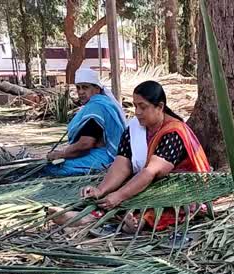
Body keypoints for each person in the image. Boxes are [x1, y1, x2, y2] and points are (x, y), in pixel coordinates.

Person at [53, 80, 210, 232]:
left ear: (160, 107)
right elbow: (122, 163)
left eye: (143, 107)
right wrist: (101, 190)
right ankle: (95, 215)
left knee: (153, 197)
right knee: (112, 193)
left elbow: (152, 172)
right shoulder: (134, 129)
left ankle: (112, 220)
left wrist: (119, 195)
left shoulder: (173, 133)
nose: (137, 112)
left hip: (177, 185)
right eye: (135, 106)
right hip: (145, 180)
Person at [44, 68, 125, 177]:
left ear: (97, 89)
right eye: (78, 88)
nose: (81, 92)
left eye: (85, 87)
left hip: (103, 158)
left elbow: (85, 144)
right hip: (103, 155)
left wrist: (61, 153)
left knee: (52, 168)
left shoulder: (96, 107)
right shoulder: (101, 104)